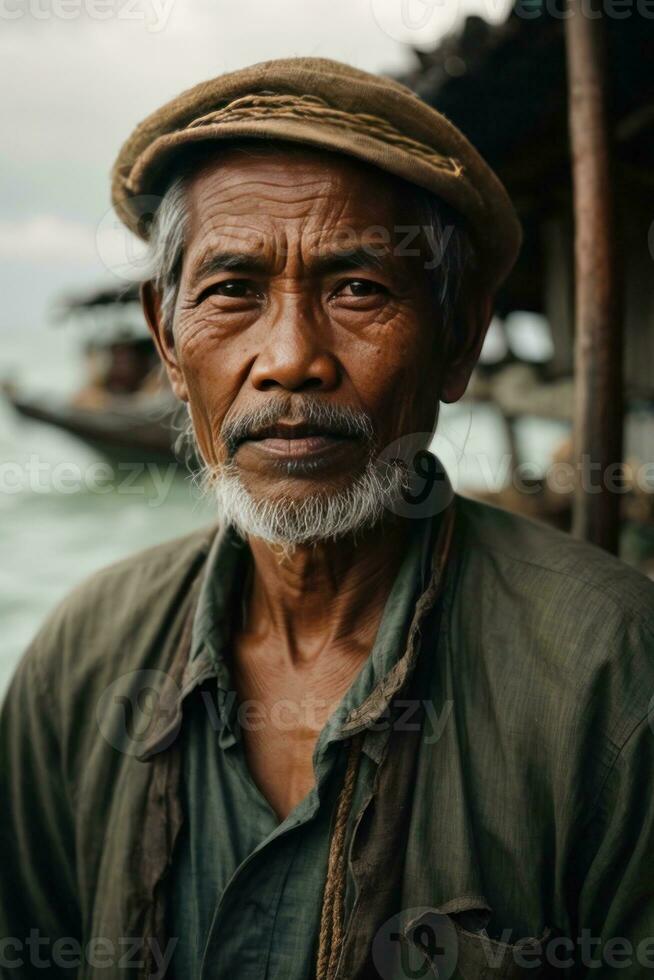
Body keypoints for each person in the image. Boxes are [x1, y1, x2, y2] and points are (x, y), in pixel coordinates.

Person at [1, 58, 653, 980]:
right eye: (232, 291)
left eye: (359, 290)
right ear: (169, 344)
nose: (292, 359)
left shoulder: (615, 675)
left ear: (459, 341)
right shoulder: (81, 660)